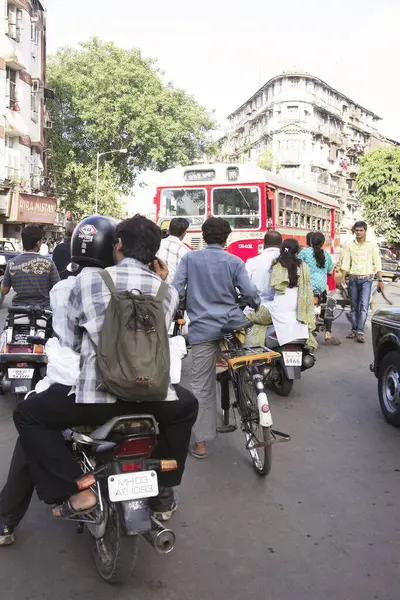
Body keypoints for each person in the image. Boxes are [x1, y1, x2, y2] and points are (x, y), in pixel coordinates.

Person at [11, 215, 198, 528]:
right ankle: (164, 481)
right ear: (154, 253)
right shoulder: (169, 293)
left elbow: (69, 341)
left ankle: (74, 488)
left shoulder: (88, 281)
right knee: (188, 406)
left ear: (119, 245)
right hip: (153, 399)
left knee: (28, 415)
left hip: (95, 400)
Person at [0, 216, 112, 546]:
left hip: (76, 386)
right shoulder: (140, 285)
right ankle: (163, 501)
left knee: (30, 426)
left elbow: (66, 337)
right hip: (138, 389)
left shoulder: (64, 288)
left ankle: (8, 520)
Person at [173, 216, 259, 459]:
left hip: (202, 331)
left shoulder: (190, 258)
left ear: (204, 235)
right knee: (245, 364)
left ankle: (200, 443)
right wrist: (253, 302)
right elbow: (250, 293)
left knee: (201, 384)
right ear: (226, 237)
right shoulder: (234, 261)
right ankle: (249, 396)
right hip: (232, 326)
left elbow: (177, 290)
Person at [341, 221, 384, 343]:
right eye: (357, 230)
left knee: (364, 306)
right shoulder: (350, 245)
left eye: (361, 230)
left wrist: (380, 280)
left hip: (367, 280)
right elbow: (346, 262)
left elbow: (377, 263)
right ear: (354, 232)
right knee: (354, 306)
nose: (359, 232)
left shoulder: (372, 245)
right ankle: (354, 329)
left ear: (365, 231)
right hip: (353, 279)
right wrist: (343, 277)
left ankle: (360, 331)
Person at [1, 225, 60, 309]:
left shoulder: (11, 263)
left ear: (23, 241)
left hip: (18, 311)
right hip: (43, 311)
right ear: (38, 243)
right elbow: (57, 287)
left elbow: (4, 291)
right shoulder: (48, 263)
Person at [298, 232, 341, 346]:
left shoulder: (305, 252)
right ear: (322, 243)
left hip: (307, 287)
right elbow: (329, 270)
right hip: (321, 288)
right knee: (329, 306)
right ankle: (328, 334)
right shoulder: (326, 255)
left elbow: (297, 265)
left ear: (310, 241)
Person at [246, 230, 282, 305]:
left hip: (257, 307)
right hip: (280, 309)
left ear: (264, 245)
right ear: (281, 245)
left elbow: (244, 287)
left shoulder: (251, 262)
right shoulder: (289, 261)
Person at [157, 217, 190, 284]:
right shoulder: (186, 251)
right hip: (175, 291)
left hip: (155, 288)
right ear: (184, 232)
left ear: (169, 229)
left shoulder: (157, 244)